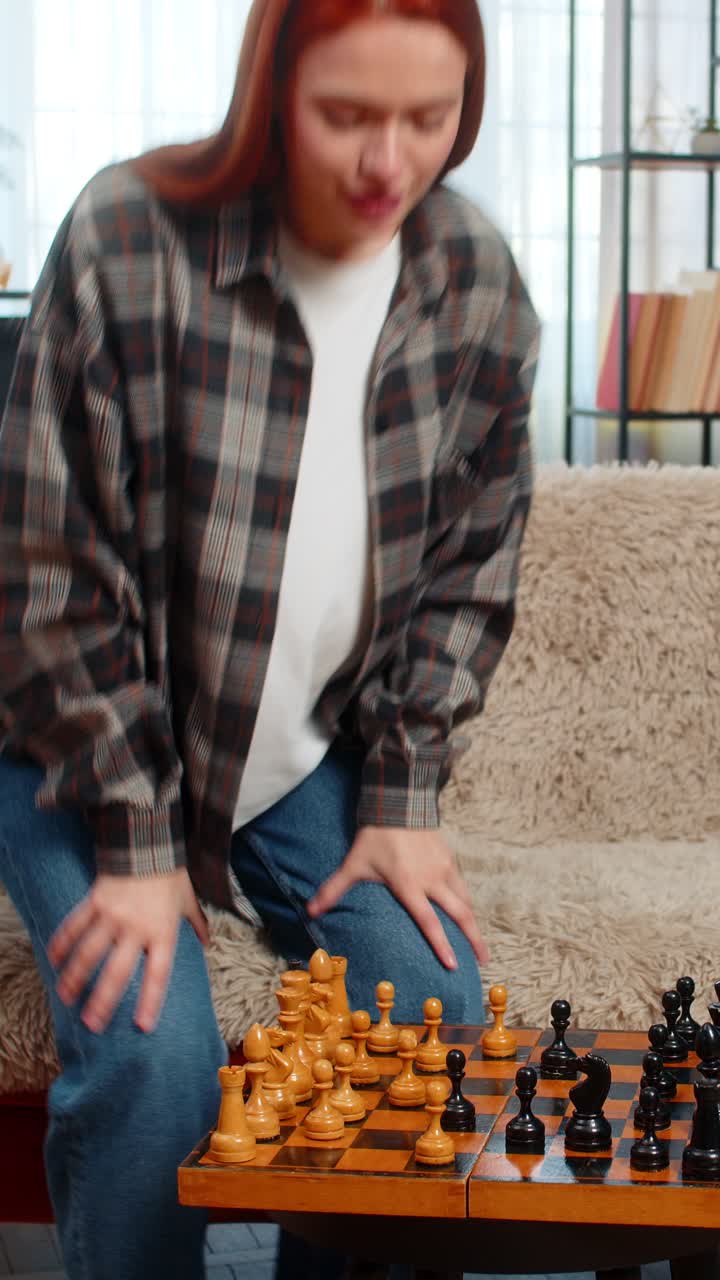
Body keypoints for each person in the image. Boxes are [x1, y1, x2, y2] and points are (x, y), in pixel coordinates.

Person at [0, 0, 540, 1274]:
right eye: (346, 115)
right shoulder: (130, 236)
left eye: (428, 118)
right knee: (154, 1050)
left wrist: (402, 791)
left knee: (435, 1007)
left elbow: (473, 572)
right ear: (268, 93)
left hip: (288, 763)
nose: (387, 163)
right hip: (74, 749)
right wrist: (137, 841)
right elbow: (46, 572)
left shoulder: (476, 284)